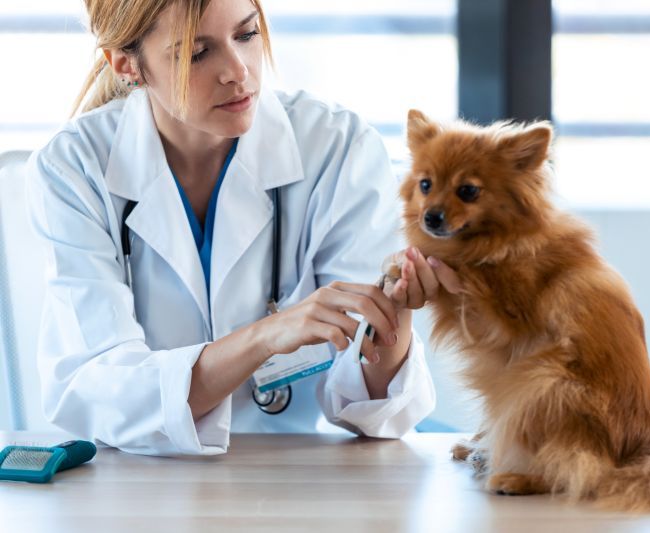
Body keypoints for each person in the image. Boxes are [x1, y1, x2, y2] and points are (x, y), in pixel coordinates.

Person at [25, 0, 460, 456]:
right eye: (197, 53)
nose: (238, 71)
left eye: (247, 35)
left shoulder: (337, 146)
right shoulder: (73, 166)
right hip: (137, 480)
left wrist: (394, 312)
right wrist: (265, 336)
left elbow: (371, 409)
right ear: (127, 64)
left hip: (295, 477)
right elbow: (99, 389)